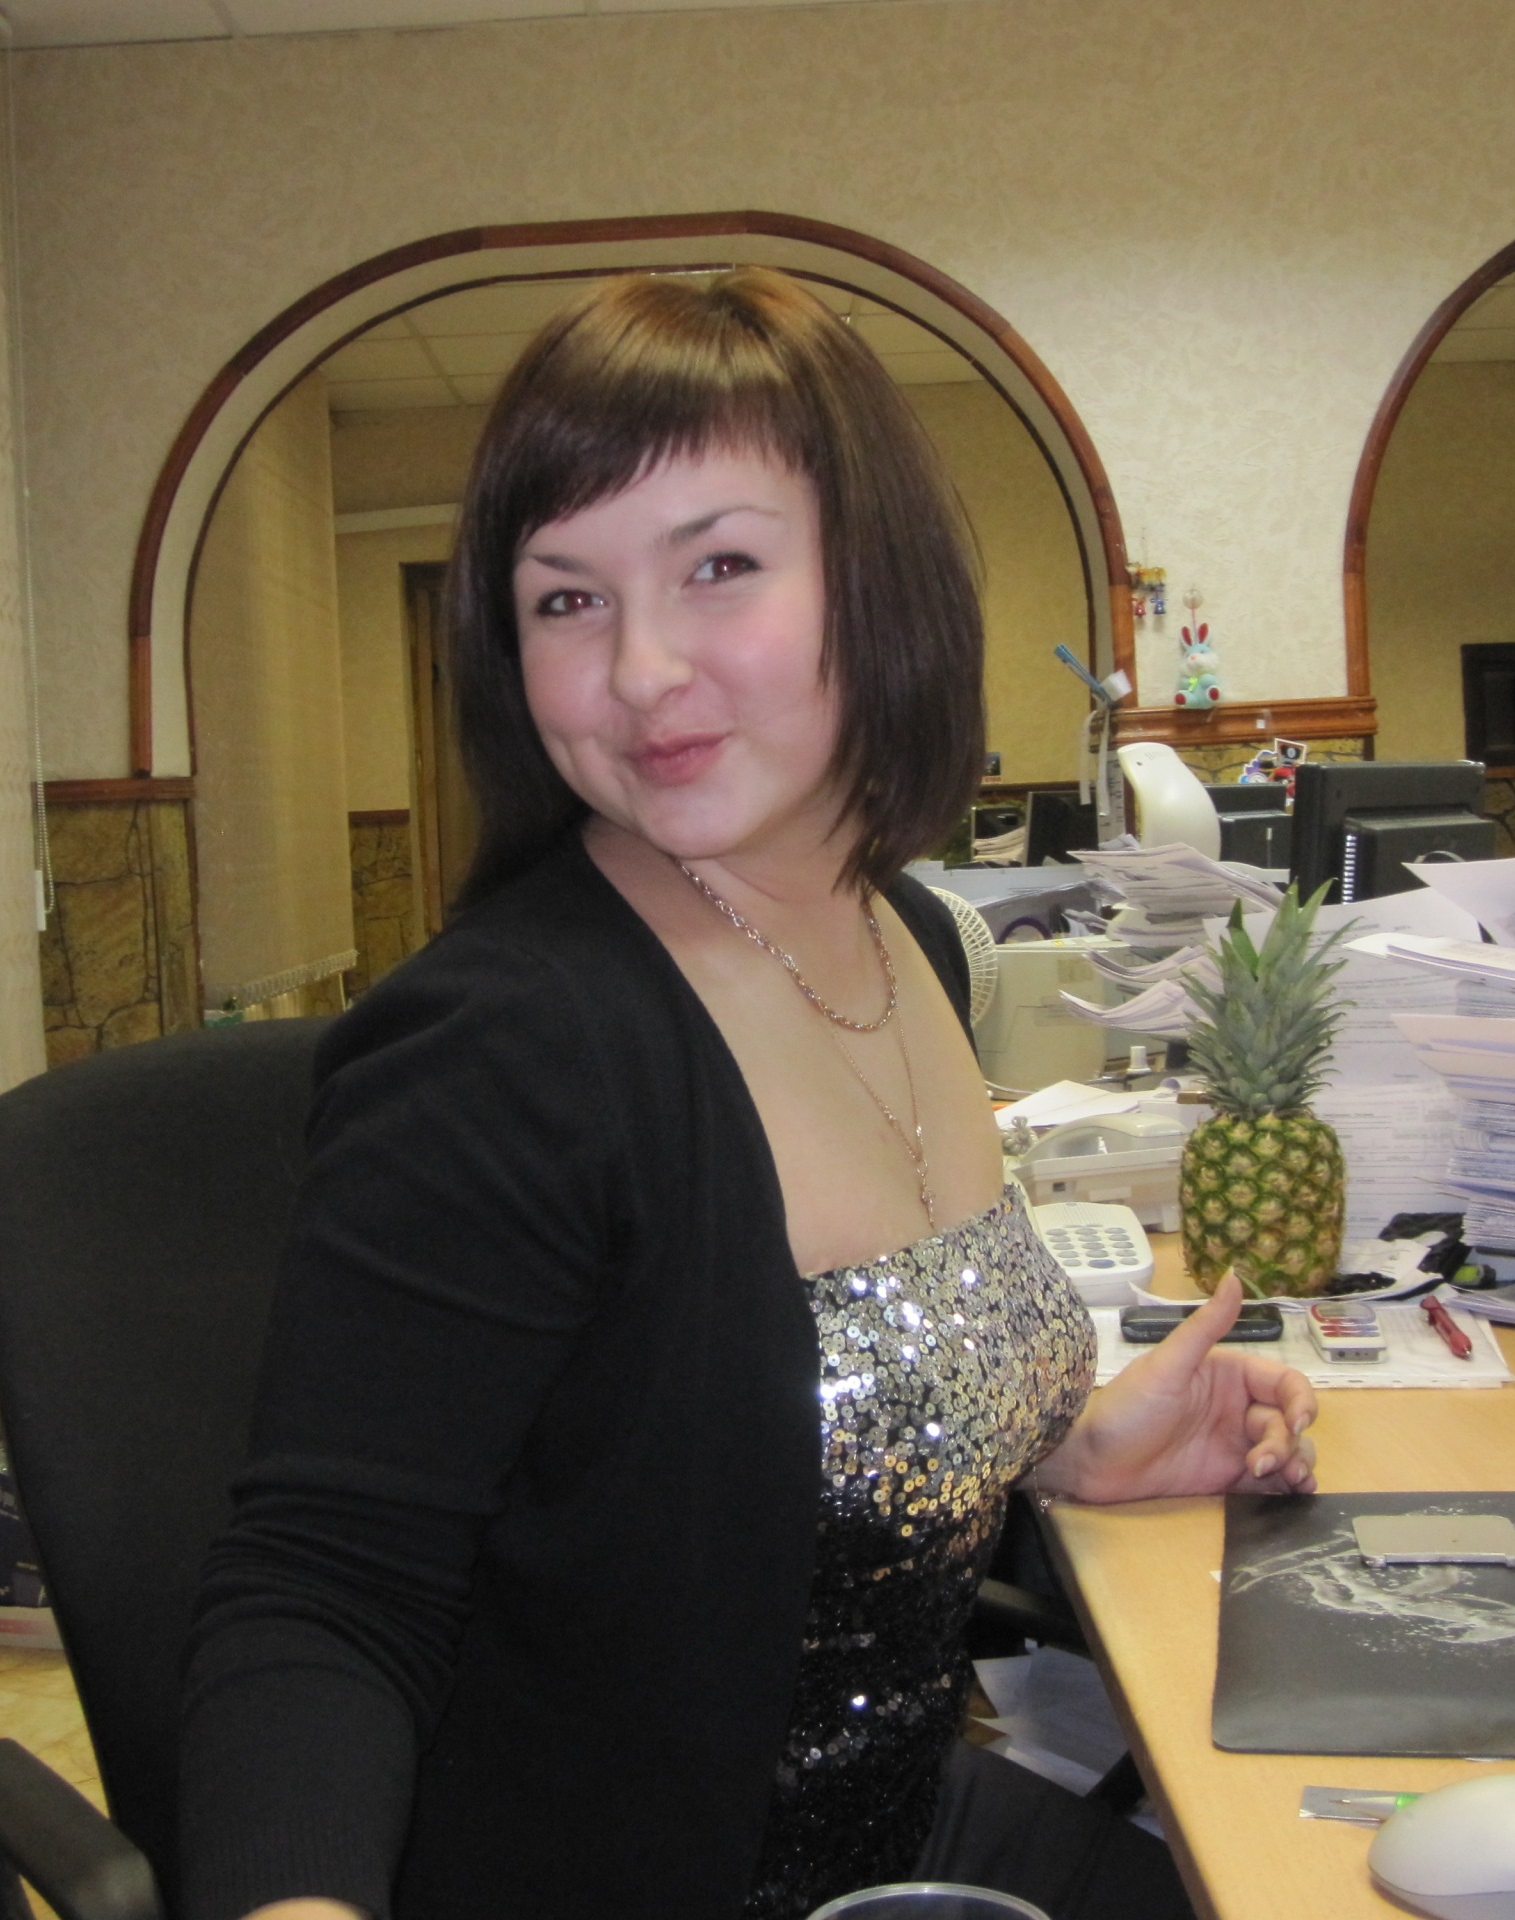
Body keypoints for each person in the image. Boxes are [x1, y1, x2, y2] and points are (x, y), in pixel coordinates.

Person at [180, 267, 1317, 1920]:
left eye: (718, 567)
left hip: (896, 1833)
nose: (642, 669)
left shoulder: (900, 931)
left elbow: (779, 1442)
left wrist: (1068, 1451)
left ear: (875, 583)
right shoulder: (507, 1044)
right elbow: (323, 1593)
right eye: (566, 599)